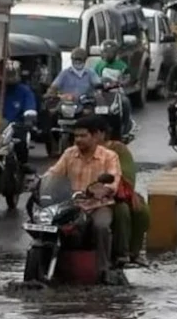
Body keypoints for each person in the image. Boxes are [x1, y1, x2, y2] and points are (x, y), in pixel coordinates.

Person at [44, 115, 122, 284]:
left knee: (101, 227)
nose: (78, 140)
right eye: (76, 136)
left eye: (83, 136)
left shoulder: (109, 156)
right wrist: (39, 182)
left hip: (98, 205)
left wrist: (103, 190)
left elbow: (114, 180)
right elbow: (54, 173)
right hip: (70, 205)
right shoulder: (69, 154)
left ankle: (103, 270)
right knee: (47, 225)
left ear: (95, 137)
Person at [93, 119, 150, 265]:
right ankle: (120, 253)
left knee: (139, 210)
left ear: (101, 134)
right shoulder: (77, 152)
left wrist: (110, 188)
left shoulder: (117, 149)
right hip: (88, 196)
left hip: (115, 194)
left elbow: (126, 175)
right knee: (122, 211)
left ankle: (132, 253)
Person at [2, 61, 38, 173]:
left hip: (16, 126)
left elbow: (30, 106)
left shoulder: (24, 91)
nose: (10, 77)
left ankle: (23, 164)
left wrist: (29, 117)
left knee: (21, 141)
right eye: (7, 73)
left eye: (12, 74)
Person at [93, 39, 133, 136]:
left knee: (125, 102)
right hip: (102, 93)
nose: (107, 55)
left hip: (116, 92)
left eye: (110, 52)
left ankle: (125, 127)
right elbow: (94, 77)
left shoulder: (122, 65)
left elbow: (127, 78)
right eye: (105, 52)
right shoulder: (99, 65)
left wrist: (121, 82)